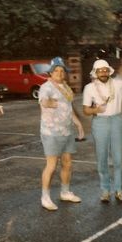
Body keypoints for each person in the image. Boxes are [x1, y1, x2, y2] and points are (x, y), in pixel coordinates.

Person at [82, 53, 122, 203]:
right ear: (95, 73)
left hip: (116, 121)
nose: (103, 72)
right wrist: (96, 110)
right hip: (99, 123)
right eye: (100, 70)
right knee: (101, 158)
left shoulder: (117, 83)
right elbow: (85, 110)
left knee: (118, 158)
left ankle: (120, 190)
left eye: (105, 70)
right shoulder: (89, 88)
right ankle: (105, 190)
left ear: (109, 71)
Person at [39, 57, 85, 211]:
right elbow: (43, 101)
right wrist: (49, 103)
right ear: (50, 73)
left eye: (61, 70)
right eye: (56, 70)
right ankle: (45, 197)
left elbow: (68, 108)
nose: (59, 73)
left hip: (67, 131)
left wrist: (78, 124)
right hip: (51, 132)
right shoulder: (46, 87)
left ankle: (65, 192)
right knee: (51, 165)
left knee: (67, 163)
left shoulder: (65, 87)